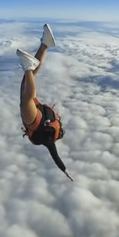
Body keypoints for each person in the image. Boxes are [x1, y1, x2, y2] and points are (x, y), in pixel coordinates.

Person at [16, 24, 73, 181]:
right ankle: (28, 66)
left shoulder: (50, 140)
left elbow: (56, 157)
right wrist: (65, 171)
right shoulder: (47, 141)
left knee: (27, 84)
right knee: (25, 98)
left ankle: (45, 45)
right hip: (33, 121)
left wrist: (65, 170)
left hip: (39, 111)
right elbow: (56, 157)